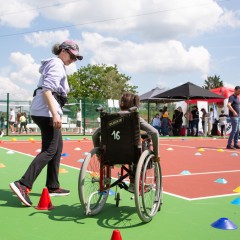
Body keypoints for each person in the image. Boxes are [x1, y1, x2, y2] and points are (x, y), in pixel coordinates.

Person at [10, 40, 83, 207]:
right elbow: (47, 90)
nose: (73, 60)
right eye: (72, 55)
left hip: (43, 111)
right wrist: (55, 114)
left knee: (57, 148)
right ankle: (23, 184)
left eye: (76, 58)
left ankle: (52, 185)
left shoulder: (57, 65)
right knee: (50, 150)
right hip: (47, 112)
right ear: (63, 51)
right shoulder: (57, 64)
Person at [92, 92, 159, 192]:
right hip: (131, 156)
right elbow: (154, 132)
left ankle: (105, 180)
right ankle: (133, 183)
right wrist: (156, 154)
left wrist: (99, 155)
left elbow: (95, 135)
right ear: (134, 104)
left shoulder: (109, 118)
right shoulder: (135, 118)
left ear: (120, 103)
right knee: (139, 150)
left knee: (128, 152)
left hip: (110, 155)